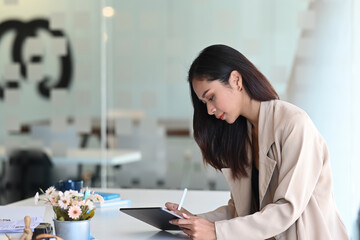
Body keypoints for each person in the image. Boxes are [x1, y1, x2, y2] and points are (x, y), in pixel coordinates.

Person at [166, 44, 349, 240]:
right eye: (204, 103)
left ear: (236, 80)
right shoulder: (241, 133)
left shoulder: (293, 124)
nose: (209, 110)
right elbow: (241, 211)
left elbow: (286, 209)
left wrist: (215, 231)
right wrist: (192, 221)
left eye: (211, 97)